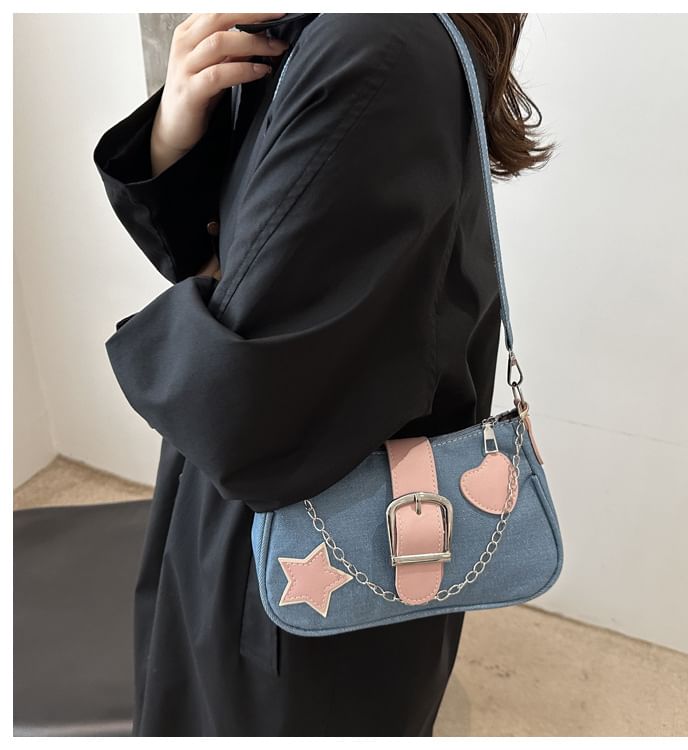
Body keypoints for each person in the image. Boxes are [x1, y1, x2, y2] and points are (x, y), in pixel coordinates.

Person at [92, 12, 552, 737]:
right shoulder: (328, 33)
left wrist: (203, 295)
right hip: (315, 521)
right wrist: (174, 139)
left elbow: (244, 407)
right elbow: (247, 271)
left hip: (299, 548)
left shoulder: (370, 46)